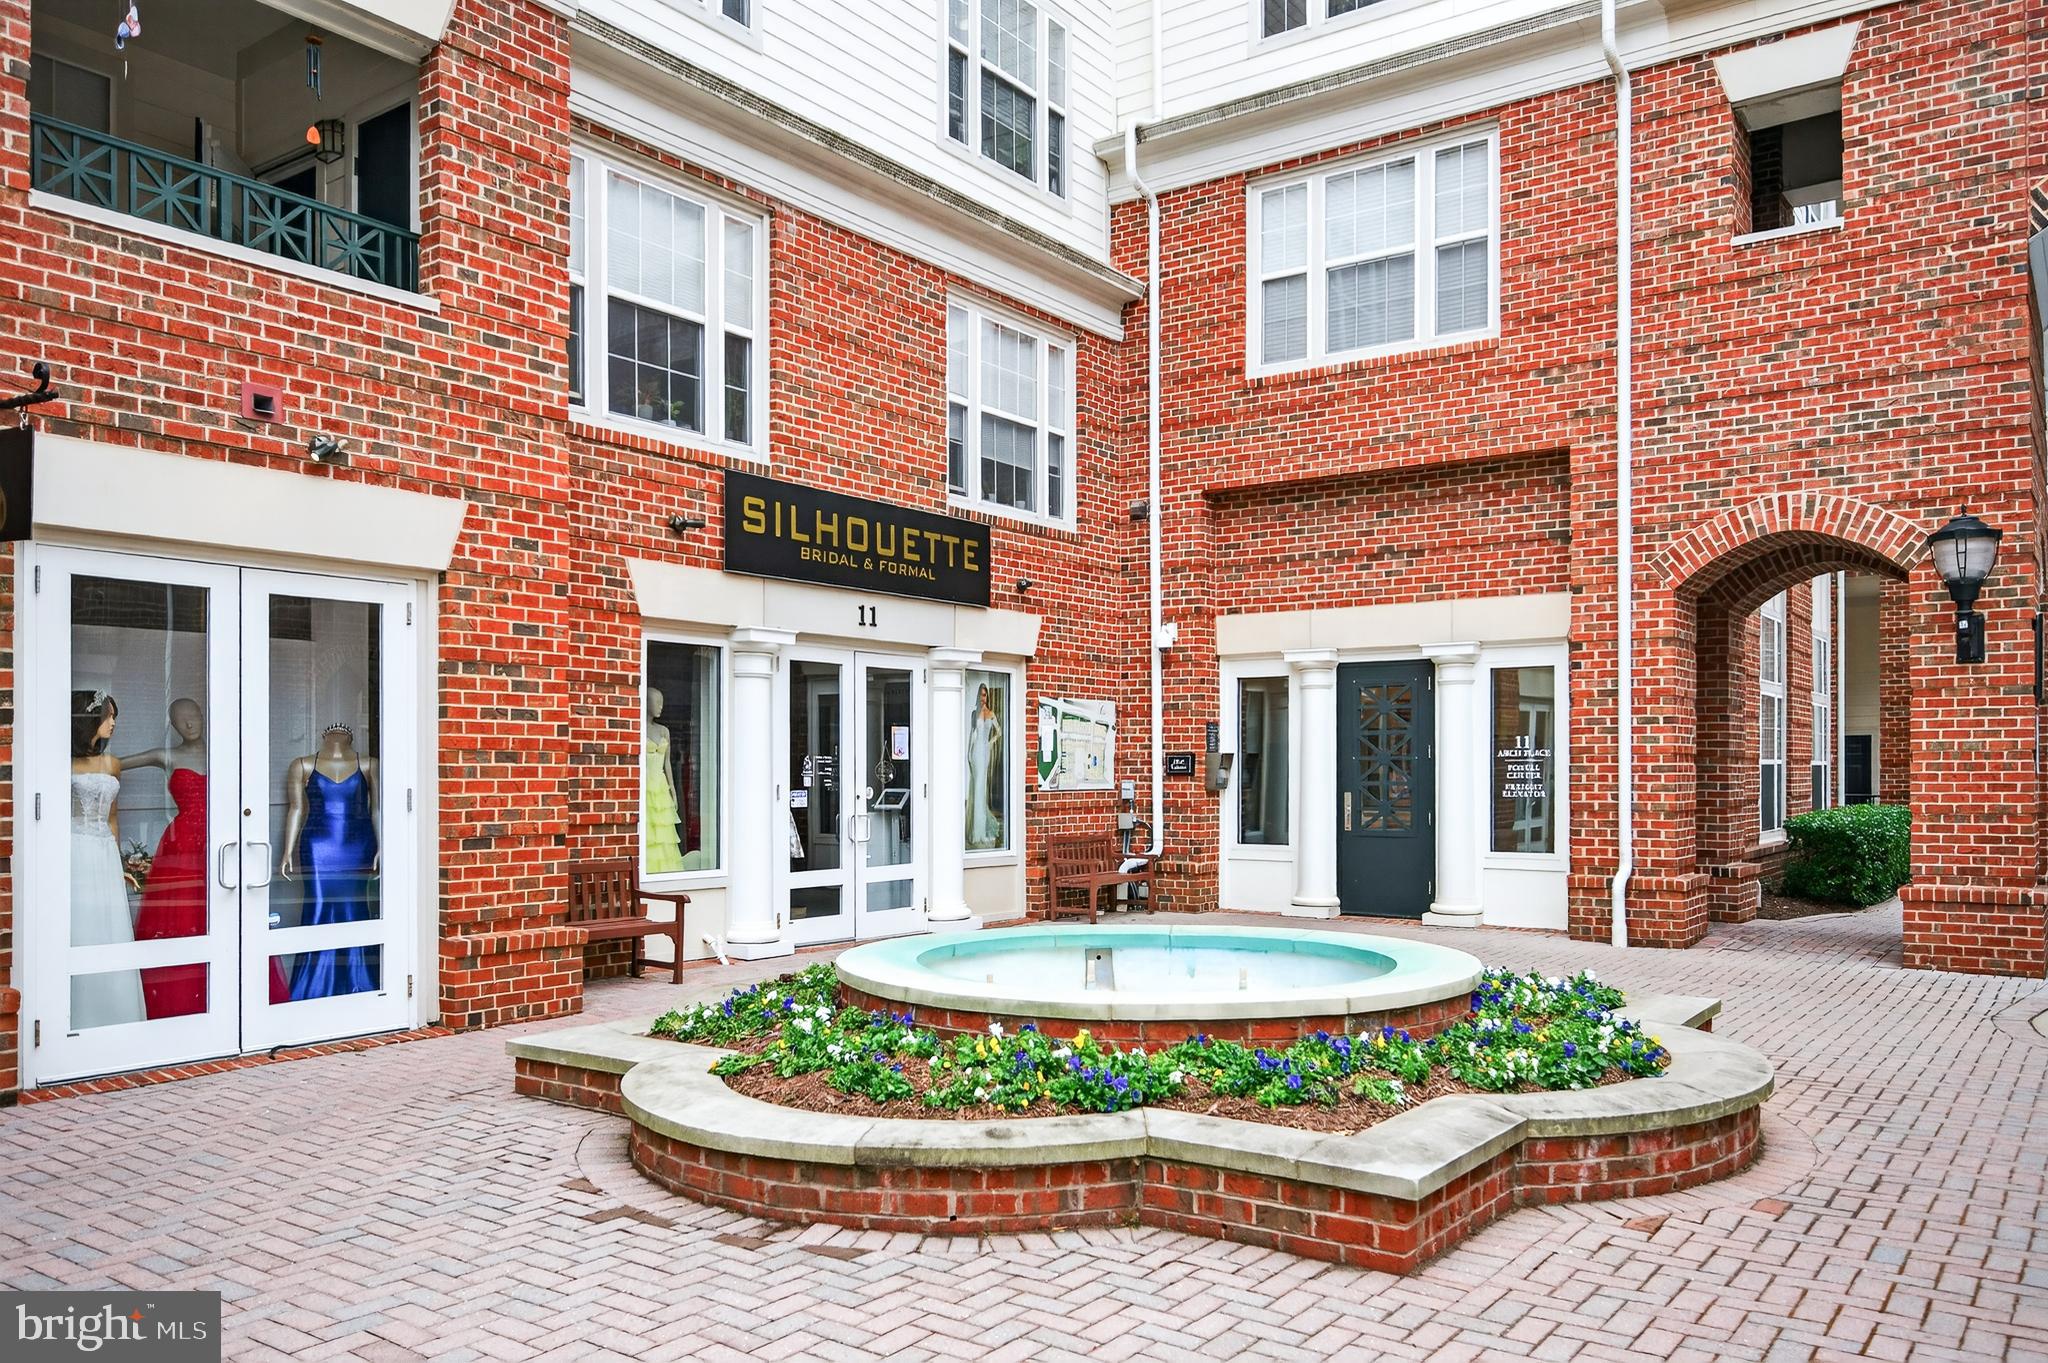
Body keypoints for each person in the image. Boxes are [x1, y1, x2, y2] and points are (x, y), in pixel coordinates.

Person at [70, 690, 145, 1029]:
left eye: (115, 716)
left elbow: (113, 818)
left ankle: (116, 1014)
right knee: (80, 923)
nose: (113, 723)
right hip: (73, 847)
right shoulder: (63, 764)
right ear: (89, 719)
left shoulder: (113, 764)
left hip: (103, 851)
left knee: (109, 926)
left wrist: (118, 863)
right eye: (107, 715)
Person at [967, 682, 1003, 850]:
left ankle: (981, 828)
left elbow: (999, 732)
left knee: (981, 788)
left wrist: (990, 742)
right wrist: (968, 753)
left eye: (985, 694)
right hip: (975, 752)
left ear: (987, 696)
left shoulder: (991, 713)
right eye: (981, 694)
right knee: (977, 788)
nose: (983, 697)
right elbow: (972, 735)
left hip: (985, 752)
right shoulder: (974, 713)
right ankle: (977, 829)